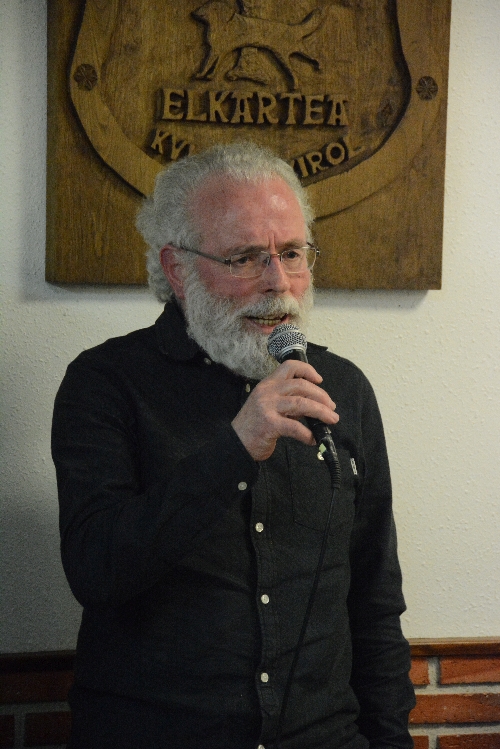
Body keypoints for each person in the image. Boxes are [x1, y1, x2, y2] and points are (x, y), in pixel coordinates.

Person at [52, 141, 415, 749]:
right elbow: (97, 571)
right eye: (245, 257)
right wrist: (235, 447)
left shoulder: (342, 388)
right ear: (177, 269)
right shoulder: (106, 383)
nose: (279, 284)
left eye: (292, 253)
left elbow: (374, 598)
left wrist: (390, 739)